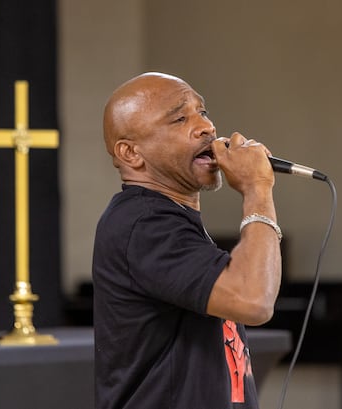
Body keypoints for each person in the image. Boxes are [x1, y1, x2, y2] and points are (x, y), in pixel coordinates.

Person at [92, 72, 282, 409]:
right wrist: (256, 189)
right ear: (131, 154)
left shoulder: (167, 219)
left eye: (203, 112)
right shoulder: (144, 225)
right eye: (180, 118)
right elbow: (253, 300)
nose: (206, 127)